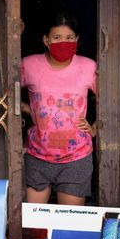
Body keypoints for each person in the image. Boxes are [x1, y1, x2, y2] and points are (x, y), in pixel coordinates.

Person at [21, 11, 98, 207]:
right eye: (57, 37)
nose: (63, 42)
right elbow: (4, 94)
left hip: (76, 157)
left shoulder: (88, 67)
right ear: (46, 40)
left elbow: (109, 100)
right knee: (33, 227)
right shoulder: (28, 65)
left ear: (77, 40)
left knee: (68, 225)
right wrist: (28, 110)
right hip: (37, 155)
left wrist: (95, 128)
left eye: (69, 38)